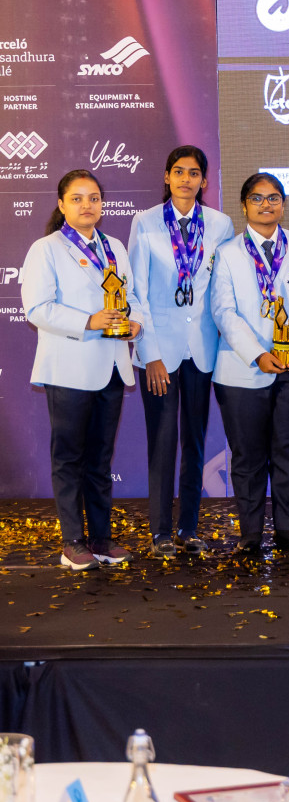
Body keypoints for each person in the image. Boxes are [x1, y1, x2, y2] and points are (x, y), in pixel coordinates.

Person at [22, 170, 142, 570]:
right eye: (77, 198)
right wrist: (88, 321)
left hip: (111, 366)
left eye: (93, 198)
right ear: (61, 205)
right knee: (70, 458)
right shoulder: (46, 249)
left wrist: (136, 321)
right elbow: (37, 309)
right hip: (69, 368)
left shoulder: (115, 247)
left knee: (100, 460)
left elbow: (133, 298)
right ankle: (72, 542)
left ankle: (102, 539)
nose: (87, 205)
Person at [210, 173, 289, 555]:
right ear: (244, 205)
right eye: (257, 198)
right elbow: (223, 311)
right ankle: (249, 536)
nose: (266, 205)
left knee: (288, 450)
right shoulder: (227, 252)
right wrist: (258, 354)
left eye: (274, 198)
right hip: (244, 370)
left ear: (284, 204)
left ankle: (287, 532)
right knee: (247, 456)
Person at [127, 145, 234, 558]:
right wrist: (149, 352)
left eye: (194, 173)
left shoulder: (221, 224)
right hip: (160, 351)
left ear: (204, 181)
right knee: (162, 441)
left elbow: (222, 289)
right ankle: (160, 533)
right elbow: (135, 291)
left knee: (194, 441)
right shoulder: (146, 222)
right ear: (167, 177)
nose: (186, 179)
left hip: (203, 349)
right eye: (178, 171)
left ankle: (188, 529)